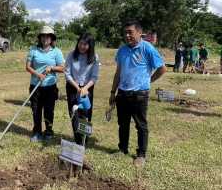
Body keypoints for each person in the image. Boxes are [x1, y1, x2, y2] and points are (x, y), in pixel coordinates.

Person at [109, 20, 166, 167]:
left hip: (139, 94)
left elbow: (162, 69)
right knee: (123, 124)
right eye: (125, 33)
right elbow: (118, 72)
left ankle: (141, 154)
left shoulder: (148, 49)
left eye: (130, 32)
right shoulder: (122, 50)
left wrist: (148, 81)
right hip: (122, 93)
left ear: (140, 33)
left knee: (141, 125)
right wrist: (112, 92)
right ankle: (122, 149)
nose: (127, 35)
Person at [26, 26, 65, 141]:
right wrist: (38, 75)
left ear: (52, 38)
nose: (45, 38)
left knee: (49, 110)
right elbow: (28, 66)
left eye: (48, 36)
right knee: (36, 110)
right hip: (35, 86)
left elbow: (62, 68)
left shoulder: (56, 52)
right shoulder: (34, 50)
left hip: (50, 87)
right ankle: (37, 132)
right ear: (40, 38)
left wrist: (51, 68)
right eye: (43, 36)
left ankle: (48, 132)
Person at [65, 32, 99, 145]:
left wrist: (84, 88)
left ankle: (84, 140)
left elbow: (94, 77)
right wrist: (77, 88)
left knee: (85, 114)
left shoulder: (94, 58)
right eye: (81, 43)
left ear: (90, 46)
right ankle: (78, 140)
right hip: (72, 87)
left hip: (87, 88)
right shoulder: (71, 55)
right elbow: (67, 74)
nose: (82, 46)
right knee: (74, 113)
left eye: (85, 44)